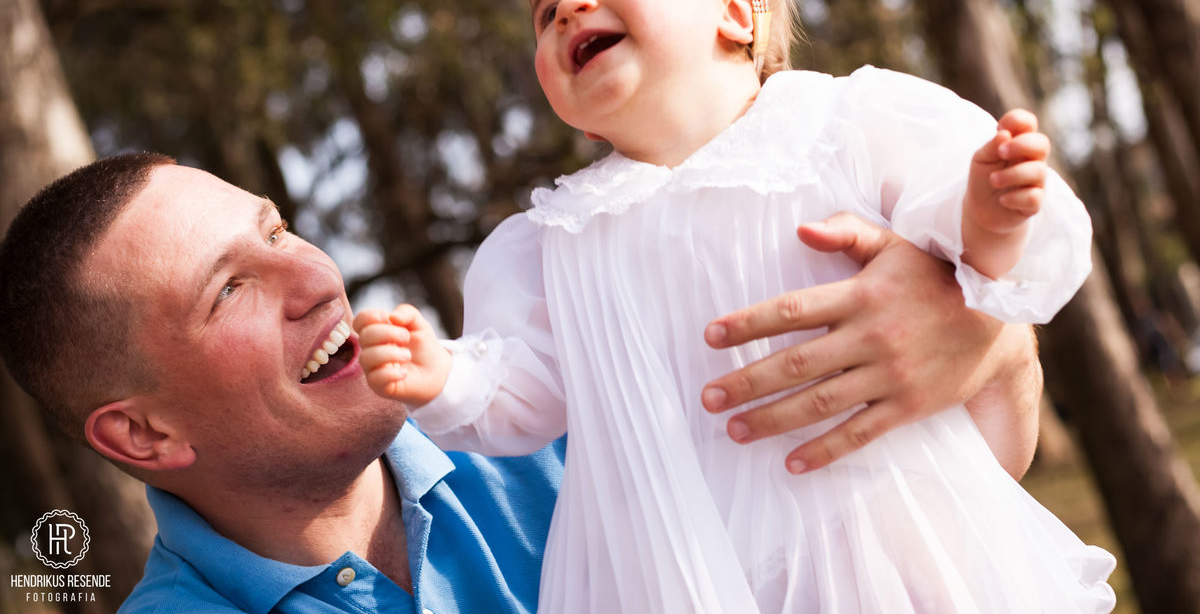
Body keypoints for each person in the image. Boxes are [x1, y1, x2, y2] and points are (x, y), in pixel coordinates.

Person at [355, 0, 1116, 613]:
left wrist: (986, 213)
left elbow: (960, 252)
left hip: (883, 537)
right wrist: (447, 375)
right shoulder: (556, 237)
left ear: (735, 12)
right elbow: (527, 390)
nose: (572, 7)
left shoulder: (836, 126)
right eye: (547, 12)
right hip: (673, 573)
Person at [0, 153, 1046, 614]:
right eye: (229, 287)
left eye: (277, 227)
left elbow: (938, 501)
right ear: (141, 432)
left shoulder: (573, 403)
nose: (313, 274)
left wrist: (980, 337)